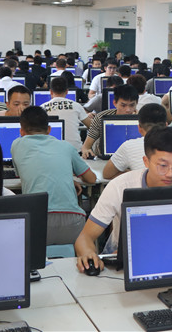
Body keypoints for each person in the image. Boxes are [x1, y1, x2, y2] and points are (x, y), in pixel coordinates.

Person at [75, 127, 172, 271]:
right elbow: (85, 237)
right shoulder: (120, 186)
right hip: (123, 259)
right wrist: (88, 253)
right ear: (146, 161)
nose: (170, 174)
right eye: (163, 166)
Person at [11, 106, 96, 244]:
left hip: (37, 220)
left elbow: (25, 174)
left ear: (21, 131)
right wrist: (68, 178)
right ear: (49, 129)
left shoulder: (16, 145)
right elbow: (91, 179)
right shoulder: (66, 147)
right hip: (73, 222)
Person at [102, 104, 172, 179]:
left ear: (139, 128)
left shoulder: (128, 146)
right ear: (166, 125)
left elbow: (107, 174)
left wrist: (133, 174)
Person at [81, 84, 139, 158]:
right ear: (115, 103)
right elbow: (86, 146)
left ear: (137, 103)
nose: (128, 110)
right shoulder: (101, 117)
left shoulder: (142, 119)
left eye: (132, 105)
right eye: (123, 105)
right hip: (106, 159)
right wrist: (86, 151)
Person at [41, 76, 92, 150]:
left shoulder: (42, 108)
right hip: (75, 150)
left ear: (51, 91)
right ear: (67, 91)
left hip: (50, 150)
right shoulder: (76, 105)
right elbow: (92, 126)